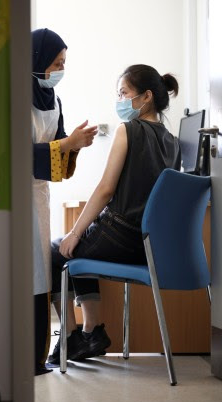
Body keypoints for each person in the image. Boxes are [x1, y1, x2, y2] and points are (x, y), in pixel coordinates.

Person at [47, 64, 181, 364]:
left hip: (118, 233)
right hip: (146, 244)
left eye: (124, 93)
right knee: (79, 253)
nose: (119, 100)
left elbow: (106, 189)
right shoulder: (173, 143)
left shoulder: (128, 129)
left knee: (56, 252)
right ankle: (91, 332)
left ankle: (72, 339)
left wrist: (75, 232)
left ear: (146, 97)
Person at [30, 28, 97, 374]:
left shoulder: (53, 99)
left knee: (40, 274)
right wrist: (67, 145)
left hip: (39, 196)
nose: (59, 69)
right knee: (26, 274)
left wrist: (75, 146)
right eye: (55, 63)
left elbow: (58, 158)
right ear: (36, 60)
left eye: (63, 63)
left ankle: (36, 356)